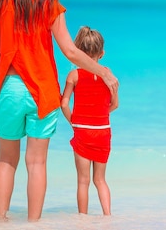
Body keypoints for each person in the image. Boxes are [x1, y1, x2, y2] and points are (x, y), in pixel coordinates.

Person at [0, 0, 119, 222]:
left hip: (9, 90)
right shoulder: (51, 6)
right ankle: (33, 224)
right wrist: (104, 73)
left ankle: (1, 221)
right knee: (36, 163)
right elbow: (71, 52)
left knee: (6, 160)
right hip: (42, 93)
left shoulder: (1, 0)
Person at [61, 26, 119, 216]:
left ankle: (83, 220)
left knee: (83, 181)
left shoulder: (74, 75)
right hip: (103, 131)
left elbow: (64, 104)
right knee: (100, 180)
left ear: (78, 51)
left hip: (82, 131)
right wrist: (100, 114)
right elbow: (114, 105)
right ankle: (108, 216)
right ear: (102, 53)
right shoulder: (108, 75)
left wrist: (74, 122)